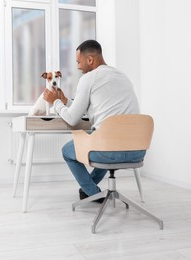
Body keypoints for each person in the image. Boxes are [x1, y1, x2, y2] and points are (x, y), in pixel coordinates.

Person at [43, 39, 145, 202]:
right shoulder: (122, 76)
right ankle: (89, 189)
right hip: (137, 150)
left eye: (79, 62)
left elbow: (71, 119)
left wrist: (54, 102)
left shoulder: (89, 78)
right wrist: (66, 102)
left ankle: (91, 192)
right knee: (102, 138)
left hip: (109, 151)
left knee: (68, 151)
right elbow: (89, 104)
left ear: (90, 59)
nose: (78, 67)